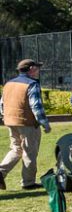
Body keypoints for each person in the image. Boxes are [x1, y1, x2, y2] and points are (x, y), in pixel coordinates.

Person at [0, 59, 51, 191]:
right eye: (37, 68)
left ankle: (1, 171)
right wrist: (44, 123)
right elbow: (36, 106)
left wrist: (6, 116)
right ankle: (28, 182)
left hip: (10, 120)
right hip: (27, 123)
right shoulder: (32, 84)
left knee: (16, 149)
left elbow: (2, 104)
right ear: (31, 68)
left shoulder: (9, 83)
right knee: (30, 152)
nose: (39, 70)